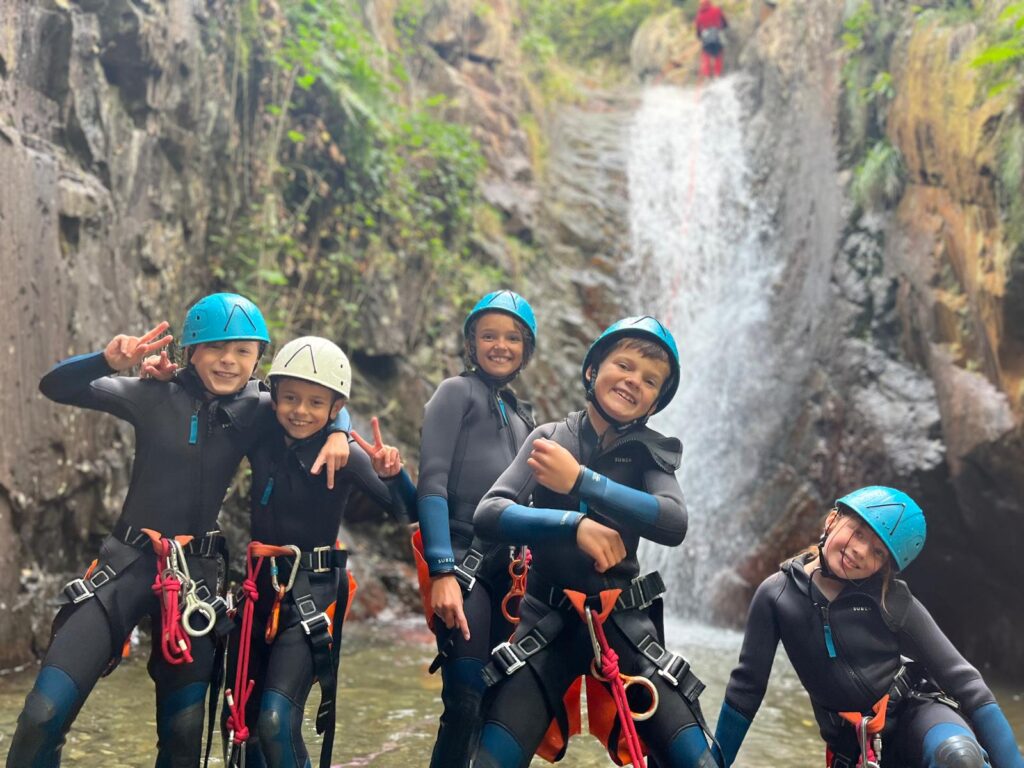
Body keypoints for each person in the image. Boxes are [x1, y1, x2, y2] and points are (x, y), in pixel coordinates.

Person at [6, 294, 349, 768]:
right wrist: (107, 360)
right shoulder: (150, 394)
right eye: (215, 348)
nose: (228, 361)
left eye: (243, 351)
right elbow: (55, 386)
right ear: (192, 350)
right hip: (124, 568)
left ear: (257, 360)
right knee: (43, 713)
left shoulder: (261, 409)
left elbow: (320, 400)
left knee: (185, 738)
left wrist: (340, 431)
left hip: (195, 584)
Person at [473, 316, 718, 768]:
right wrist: (572, 524)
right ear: (592, 371)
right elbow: (490, 513)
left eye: (649, 380)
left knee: (699, 762)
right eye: (623, 366)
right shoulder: (549, 438)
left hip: (623, 624)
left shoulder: (651, 454)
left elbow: (673, 523)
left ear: (656, 400)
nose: (633, 382)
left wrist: (582, 481)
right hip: (547, 625)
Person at [713, 486, 1024, 768]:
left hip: (919, 715)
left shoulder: (892, 599)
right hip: (853, 744)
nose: (861, 550)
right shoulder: (776, 595)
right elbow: (746, 689)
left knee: (958, 757)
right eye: (858, 532)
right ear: (832, 520)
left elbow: (965, 682)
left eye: (878, 551)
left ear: (883, 566)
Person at [222, 336, 416, 768]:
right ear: (275, 396)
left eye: (316, 403)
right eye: (290, 397)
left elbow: (409, 511)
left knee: (275, 719)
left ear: (332, 406)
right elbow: (226, 389)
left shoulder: (343, 455)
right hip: (259, 590)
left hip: (314, 594)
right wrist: (340, 424)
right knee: (243, 721)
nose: (300, 410)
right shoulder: (263, 430)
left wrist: (393, 473)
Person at [416, 290, 538, 768]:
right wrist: (442, 570)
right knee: (464, 699)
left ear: (526, 349)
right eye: (489, 335)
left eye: (512, 337)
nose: (500, 345)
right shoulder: (455, 393)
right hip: (465, 562)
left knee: (501, 706)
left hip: (516, 573)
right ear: (472, 342)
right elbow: (432, 484)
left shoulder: (525, 415)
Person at [695, 0, 728, 78]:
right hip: (717, 37)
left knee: (706, 56)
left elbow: (698, 32)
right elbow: (725, 23)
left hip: (706, 39)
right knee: (718, 55)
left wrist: (701, 36)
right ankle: (717, 75)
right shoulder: (717, 10)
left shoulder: (699, 16)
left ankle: (707, 75)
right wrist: (721, 27)